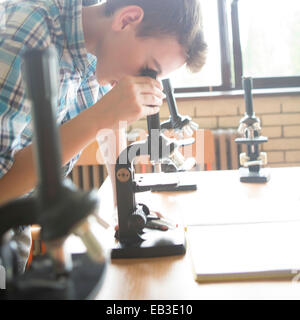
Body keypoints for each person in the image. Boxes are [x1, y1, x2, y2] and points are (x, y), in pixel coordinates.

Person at [0, 0, 207, 272]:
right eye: (148, 69)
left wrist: (124, 205)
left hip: (14, 227)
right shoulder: (30, 31)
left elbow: (110, 125)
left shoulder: (94, 45)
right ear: (126, 19)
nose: (145, 83)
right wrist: (100, 116)